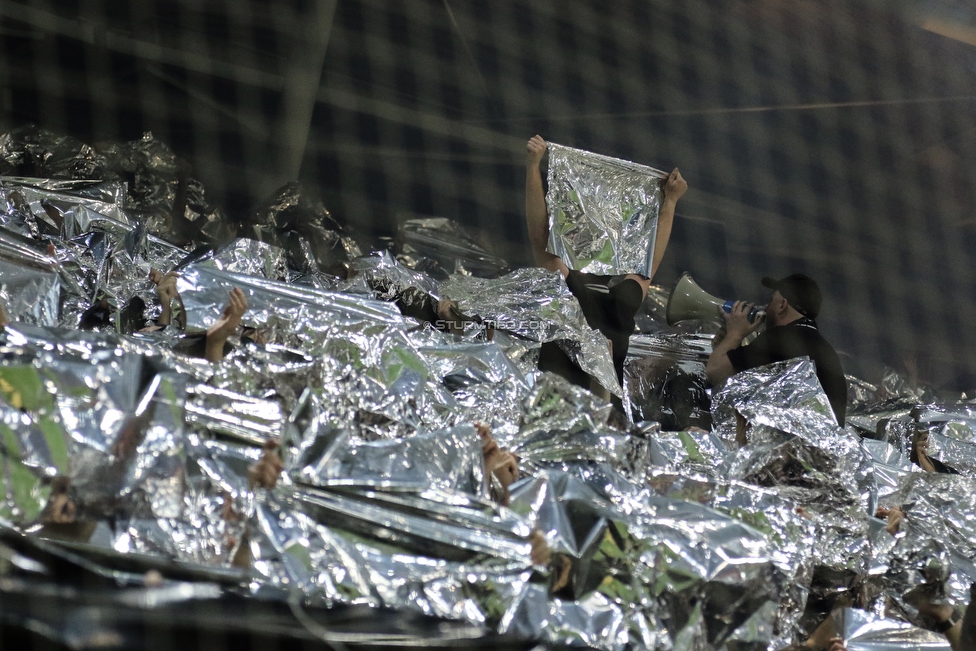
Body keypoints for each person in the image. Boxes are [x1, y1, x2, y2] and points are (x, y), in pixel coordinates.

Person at [525, 135, 688, 392]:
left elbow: (538, 236)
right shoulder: (618, 302)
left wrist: (533, 167)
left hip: (563, 412)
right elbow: (648, 268)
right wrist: (670, 203)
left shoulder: (573, 291)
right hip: (604, 419)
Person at [705, 274, 848, 426]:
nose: (766, 308)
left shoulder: (780, 337)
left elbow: (715, 372)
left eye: (771, 300)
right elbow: (741, 383)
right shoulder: (826, 350)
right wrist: (726, 344)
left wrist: (735, 333)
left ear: (782, 305)